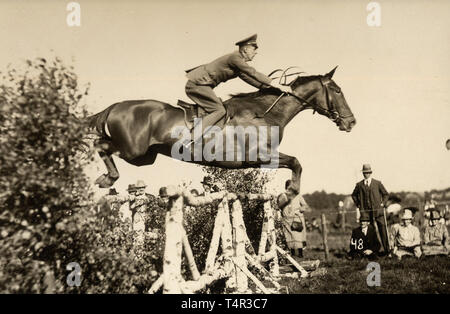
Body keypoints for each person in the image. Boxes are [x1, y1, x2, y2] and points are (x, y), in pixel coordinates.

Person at [184, 34, 290, 146]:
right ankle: (191, 139)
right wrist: (275, 83)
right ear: (245, 49)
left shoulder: (237, 65)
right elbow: (252, 72)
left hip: (201, 85)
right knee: (219, 110)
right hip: (196, 85)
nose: (255, 53)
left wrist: (272, 89)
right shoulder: (235, 58)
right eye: (254, 49)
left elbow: (251, 80)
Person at [351, 164, 389, 254]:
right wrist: (359, 205)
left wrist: (382, 203)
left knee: (382, 229)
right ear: (363, 174)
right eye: (364, 173)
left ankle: (387, 251)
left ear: (370, 173)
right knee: (370, 231)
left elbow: (386, 194)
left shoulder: (377, 183)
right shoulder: (359, 185)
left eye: (368, 172)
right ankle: (373, 250)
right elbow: (353, 195)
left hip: (378, 212)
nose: (366, 174)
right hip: (366, 214)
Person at [277, 180, 309, 259]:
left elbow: (305, 206)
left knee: (297, 236)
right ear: (286, 187)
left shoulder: (298, 196)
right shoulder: (283, 196)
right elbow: (279, 206)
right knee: (288, 237)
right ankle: (292, 254)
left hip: (296, 219)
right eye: (288, 188)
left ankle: (300, 254)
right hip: (286, 220)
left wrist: (299, 210)